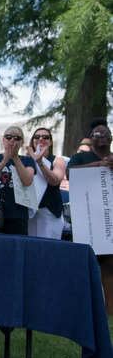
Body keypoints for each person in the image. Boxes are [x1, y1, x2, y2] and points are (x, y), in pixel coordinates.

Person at [68, 119, 113, 313]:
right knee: (86, 266)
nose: (101, 136)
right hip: (87, 222)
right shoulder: (80, 159)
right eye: (96, 134)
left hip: (109, 223)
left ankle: (109, 310)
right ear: (90, 139)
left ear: (111, 137)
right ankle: (84, 309)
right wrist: (99, 165)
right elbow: (70, 175)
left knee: (110, 268)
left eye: (105, 133)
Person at [0, 126, 36, 235]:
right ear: (3, 140)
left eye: (17, 138)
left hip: (18, 214)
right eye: (8, 137)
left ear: (22, 142)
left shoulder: (27, 160)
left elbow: (27, 181)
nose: (12, 141)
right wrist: (5, 159)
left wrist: (15, 158)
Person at [26, 127, 66, 239]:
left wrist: (40, 162)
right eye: (37, 137)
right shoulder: (26, 160)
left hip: (50, 212)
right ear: (32, 140)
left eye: (45, 137)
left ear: (51, 141)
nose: (41, 139)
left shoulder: (58, 160)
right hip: (30, 213)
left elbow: (55, 180)